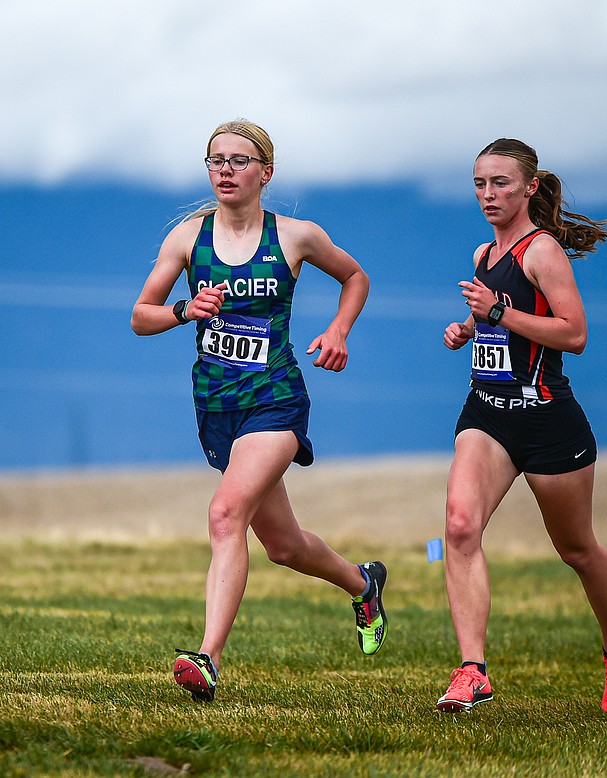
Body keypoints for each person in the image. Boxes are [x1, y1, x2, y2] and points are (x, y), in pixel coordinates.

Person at [131, 119, 387, 703]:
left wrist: (339, 330)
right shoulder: (186, 240)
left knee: (226, 515)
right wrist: (185, 311)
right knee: (284, 546)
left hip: (275, 401)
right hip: (216, 404)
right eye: (216, 160)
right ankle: (363, 584)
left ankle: (208, 659)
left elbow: (355, 276)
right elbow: (140, 316)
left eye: (239, 160)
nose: (225, 169)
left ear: (265, 172)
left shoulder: (295, 236)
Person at [435, 138, 607, 715]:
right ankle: (472, 670)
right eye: (479, 183)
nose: (488, 194)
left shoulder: (541, 251)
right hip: (487, 413)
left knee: (576, 549)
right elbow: (504, 326)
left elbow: (573, 334)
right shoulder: (484, 254)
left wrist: (498, 312)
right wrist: (468, 331)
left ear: (529, 187)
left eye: (500, 183)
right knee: (458, 526)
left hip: (547, 419)